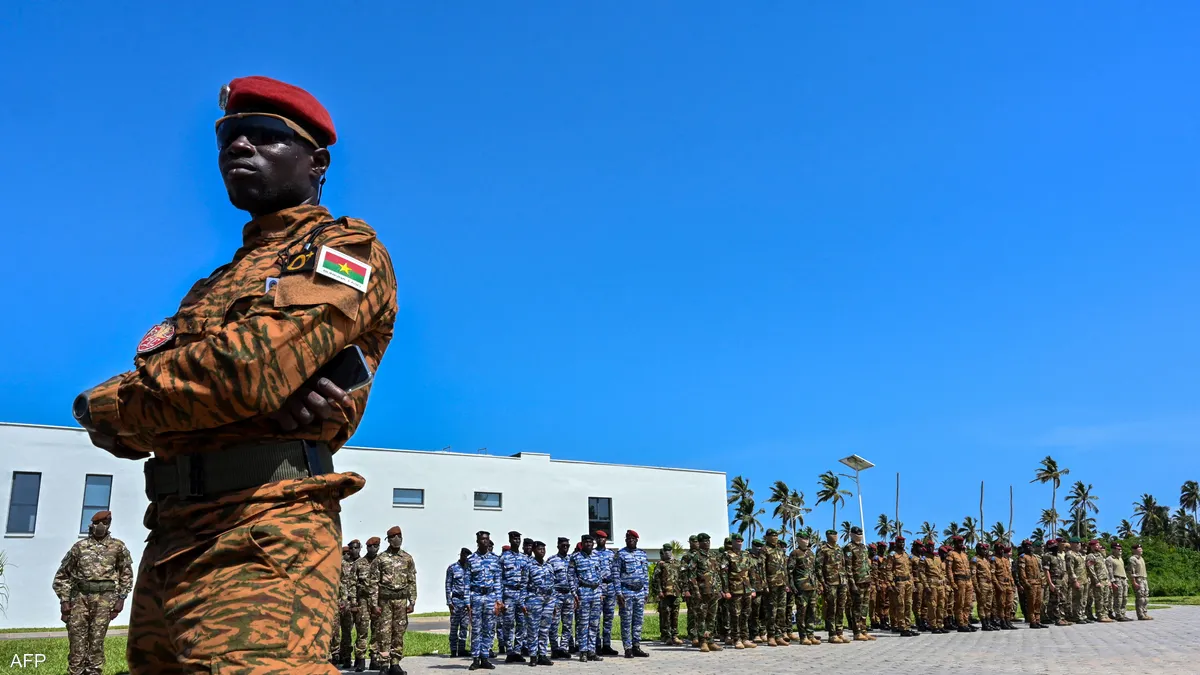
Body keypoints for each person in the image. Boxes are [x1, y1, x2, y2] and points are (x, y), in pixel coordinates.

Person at [71, 75, 399, 675]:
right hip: (171, 532)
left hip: (263, 530)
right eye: (228, 138)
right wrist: (146, 405)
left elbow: (243, 373)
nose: (238, 148)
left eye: (266, 136)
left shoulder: (343, 250)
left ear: (316, 163)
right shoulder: (214, 286)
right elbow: (189, 391)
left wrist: (112, 405)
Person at [53, 510, 134, 675]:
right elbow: (62, 576)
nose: (101, 526)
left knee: (97, 640)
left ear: (109, 524)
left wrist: (121, 599)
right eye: (98, 523)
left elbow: (126, 574)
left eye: (105, 522)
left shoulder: (118, 547)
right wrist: (64, 601)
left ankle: (93, 672)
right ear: (92, 525)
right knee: (77, 639)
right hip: (79, 599)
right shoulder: (79, 547)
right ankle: (75, 671)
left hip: (105, 600)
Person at [372, 527, 416, 674]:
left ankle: (395, 663)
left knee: (399, 631)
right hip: (385, 601)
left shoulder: (407, 558)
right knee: (384, 632)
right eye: (394, 537)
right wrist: (374, 604)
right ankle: (384, 664)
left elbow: (412, 581)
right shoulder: (381, 558)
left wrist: (412, 601)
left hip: (401, 601)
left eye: (399, 536)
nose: (397, 539)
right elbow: (373, 582)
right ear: (389, 540)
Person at [684, 532, 725, 652]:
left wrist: (720, 589)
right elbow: (691, 576)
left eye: (708, 541)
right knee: (701, 618)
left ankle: (710, 640)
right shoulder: (695, 556)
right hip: (702, 593)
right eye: (704, 541)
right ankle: (703, 641)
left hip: (714, 592)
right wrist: (696, 591)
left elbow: (717, 574)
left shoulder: (713, 556)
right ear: (700, 543)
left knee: (712, 618)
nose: (707, 543)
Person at [468, 531, 503, 670]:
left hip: (490, 597)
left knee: (489, 629)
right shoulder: (471, 560)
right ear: (477, 541)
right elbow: (467, 582)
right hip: (476, 596)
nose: (485, 542)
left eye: (487, 539)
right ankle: (475, 659)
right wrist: (467, 601)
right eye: (482, 540)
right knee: (476, 629)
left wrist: (498, 600)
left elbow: (498, 581)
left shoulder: (495, 559)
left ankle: (485, 657)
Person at [613, 530, 651, 657]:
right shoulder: (620, 555)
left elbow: (645, 575)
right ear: (625, 540)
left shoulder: (642, 554)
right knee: (626, 621)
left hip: (640, 592)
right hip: (626, 592)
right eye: (628, 539)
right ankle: (627, 648)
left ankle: (636, 646)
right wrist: (618, 593)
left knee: (638, 621)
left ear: (637, 540)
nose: (630, 541)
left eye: (633, 539)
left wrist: (646, 591)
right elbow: (616, 575)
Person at [569, 534, 605, 662]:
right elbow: (571, 577)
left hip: (595, 592)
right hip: (583, 592)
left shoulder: (597, 557)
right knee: (583, 624)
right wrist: (574, 593)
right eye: (586, 542)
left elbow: (600, 574)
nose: (589, 544)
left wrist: (600, 591)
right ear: (582, 543)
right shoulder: (575, 557)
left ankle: (591, 651)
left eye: (591, 542)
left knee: (594, 624)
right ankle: (583, 651)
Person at [524, 541, 557, 667]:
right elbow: (523, 585)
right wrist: (523, 602)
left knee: (544, 629)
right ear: (533, 550)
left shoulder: (549, 566)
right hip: (534, 599)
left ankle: (542, 655)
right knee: (533, 629)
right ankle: (533, 655)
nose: (542, 551)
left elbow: (553, 586)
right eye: (539, 549)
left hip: (548, 601)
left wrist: (553, 603)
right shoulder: (529, 566)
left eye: (543, 549)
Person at [721, 533, 756, 650]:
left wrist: (752, 588)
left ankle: (745, 638)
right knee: (735, 615)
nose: (739, 543)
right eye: (737, 541)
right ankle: (736, 639)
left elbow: (751, 572)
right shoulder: (727, 555)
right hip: (734, 590)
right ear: (733, 542)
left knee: (746, 614)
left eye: (741, 541)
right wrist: (726, 590)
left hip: (746, 589)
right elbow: (724, 574)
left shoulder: (746, 555)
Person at [354, 537, 384, 671]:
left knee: (377, 630)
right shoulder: (359, 563)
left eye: (376, 546)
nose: (373, 548)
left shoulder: (381, 561)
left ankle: (374, 658)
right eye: (371, 546)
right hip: (363, 601)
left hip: (378, 601)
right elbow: (352, 584)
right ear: (367, 547)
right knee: (362, 630)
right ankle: (360, 659)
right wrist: (353, 602)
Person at [500, 531, 530, 662]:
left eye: (518, 539)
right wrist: (499, 598)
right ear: (510, 540)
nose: (516, 541)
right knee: (508, 623)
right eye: (514, 539)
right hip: (508, 593)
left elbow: (528, 578)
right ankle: (510, 650)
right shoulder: (503, 558)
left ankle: (518, 650)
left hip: (521, 594)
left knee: (522, 623)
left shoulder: (525, 558)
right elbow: (499, 578)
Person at [786, 530, 819, 645]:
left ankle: (811, 634)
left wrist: (817, 585)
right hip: (801, 588)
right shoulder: (795, 553)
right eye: (803, 539)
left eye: (807, 539)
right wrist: (793, 587)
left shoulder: (811, 553)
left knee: (811, 612)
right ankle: (803, 636)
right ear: (799, 540)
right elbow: (789, 572)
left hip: (812, 587)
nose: (806, 541)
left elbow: (815, 570)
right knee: (802, 613)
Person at [592, 531, 620, 656]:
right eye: (598, 538)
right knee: (596, 618)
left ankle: (607, 645)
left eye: (603, 538)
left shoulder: (611, 554)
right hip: (598, 588)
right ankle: (597, 645)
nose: (600, 540)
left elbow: (615, 571)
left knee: (608, 618)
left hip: (610, 587)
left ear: (606, 539)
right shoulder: (592, 554)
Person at [546, 538, 575, 658]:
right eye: (563, 545)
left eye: (567, 545)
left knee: (568, 624)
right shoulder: (552, 560)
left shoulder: (572, 560)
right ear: (558, 546)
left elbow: (576, 577)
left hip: (569, 595)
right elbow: (548, 580)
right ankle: (554, 648)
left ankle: (563, 647)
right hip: (556, 595)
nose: (565, 547)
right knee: (554, 623)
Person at [845, 527, 874, 641]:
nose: (859, 536)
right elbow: (848, 567)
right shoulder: (849, 548)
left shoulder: (863, 547)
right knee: (857, 607)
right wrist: (852, 583)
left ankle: (863, 630)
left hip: (866, 580)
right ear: (851, 535)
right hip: (857, 582)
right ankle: (857, 632)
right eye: (857, 534)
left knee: (864, 608)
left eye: (861, 534)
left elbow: (867, 564)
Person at [761, 529, 789, 646]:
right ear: (767, 537)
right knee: (771, 611)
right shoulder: (764, 550)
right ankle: (771, 636)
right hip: (771, 584)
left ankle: (779, 635)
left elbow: (784, 567)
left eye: (776, 536)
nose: (775, 538)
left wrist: (786, 583)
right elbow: (761, 568)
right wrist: (764, 584)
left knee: (781, 611)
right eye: (772, 536)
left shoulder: (779, 550)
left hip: (781, 583)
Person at [651, 544, 683, 645]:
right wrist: (659, 591)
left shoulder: (677, 563)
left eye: (669, 551)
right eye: (666, 552)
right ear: (663, 553)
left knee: (675, 615)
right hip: (665, 593)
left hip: (676, 592)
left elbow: (682, 577)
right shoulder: (661, 564)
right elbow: (655, 579)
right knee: (666, 614)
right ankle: (667, 636)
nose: (668, 553)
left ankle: (675, 635)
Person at [338, 541, 361, 667]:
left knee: (361, 631)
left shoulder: (363, 563)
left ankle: (359, 657)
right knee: (346, 631)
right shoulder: (343, 565)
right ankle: (346, 657)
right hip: (346, 601)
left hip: (361, 601)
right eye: (351, 549)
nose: (353, 551)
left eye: (356, 548)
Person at [447, 548, 472, 657]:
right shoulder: (452, 568)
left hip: (466, 601)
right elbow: (448, 585)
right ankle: (453, 650)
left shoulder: (469, 569)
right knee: (454, 626)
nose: (466, 558)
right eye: (464, 556)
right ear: (461, 555)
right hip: (456, 600)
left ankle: (461, 649)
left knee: (464, 626)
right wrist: (449, 602)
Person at [947, 536, 973, 632]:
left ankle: (966, 622)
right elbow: (949, 570)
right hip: (959, 581)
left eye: (962, 542)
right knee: (959, 603)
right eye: (959, 543)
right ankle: (961, 624)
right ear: (954, 543)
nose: (961, 544)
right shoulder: (951, 554)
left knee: (968, 603)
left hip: (968, 581)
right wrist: (952, 583)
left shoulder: (964, 555)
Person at [921, 541, 948, 634]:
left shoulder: (937, 558)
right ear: (926, 547)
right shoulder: (924, 559)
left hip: (940, 584)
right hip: (931, 584)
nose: (931, 548)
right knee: (932, 606)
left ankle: (940, 624)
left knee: (941, 605)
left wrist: (943, 579)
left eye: (932, 546)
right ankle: (933, 625)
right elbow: (921, 573)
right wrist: (926, 586)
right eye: (929, 546)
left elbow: (942, 571)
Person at [1017, 540, 1045, 629]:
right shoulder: (1022, 557)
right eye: (1027, 546)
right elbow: (1022, 572)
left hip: (1038, 583)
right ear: (1024, 548)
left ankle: (1038, 620)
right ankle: (1032, 621)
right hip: (1030, 583)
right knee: (1031, 603)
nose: (1029, 548)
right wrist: (1026, 583)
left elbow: (1039, 571)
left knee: (1038, 602)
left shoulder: (1034, 558)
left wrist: (1042, 581)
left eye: (1030, 546)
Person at [1084, 539, 1113, 623]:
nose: (1099, 546)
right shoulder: (1090, 556)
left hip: (1105, 580)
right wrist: (1096, 581)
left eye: (1098, 545)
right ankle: (1100, 615)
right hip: (1098, 580)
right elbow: (1091, 570)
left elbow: (1105, 569)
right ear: (1092, 546)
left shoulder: (1100, 555)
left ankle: (1105, 614)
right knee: (1099, 599)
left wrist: (1108, 580)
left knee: (1106, 599)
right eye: (1096, 545)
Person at [990, 541, 1017, 630]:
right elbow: (993, 574)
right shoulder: (993, 559)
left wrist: (1012, 584)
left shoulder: (1006, 560)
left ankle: (1008, 620)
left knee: (1009, 604)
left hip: (1008, 584)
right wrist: (997, 585)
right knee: (1001, 604)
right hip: (1000, 584)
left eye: (1002, 549)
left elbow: (1009, 573)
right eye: (999, 549)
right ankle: (1002, 621)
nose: (1001, 551)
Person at [680, 535, 700, 645]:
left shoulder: (702, 555)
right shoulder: (687, 557)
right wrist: (685, 589)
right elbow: (683, 574)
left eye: (696, 541)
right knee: (693, 612)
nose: (695, 543)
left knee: (702, 613)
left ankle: (702, 634)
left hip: (702, 588)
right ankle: (693, 635)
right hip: (691, 589)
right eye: (693, 542)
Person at [971, 543, 996, 631]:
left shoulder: (985, 560)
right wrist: (976, 587)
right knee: (982, 604)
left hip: (989, 584)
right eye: (982, 549)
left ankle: (988, 622)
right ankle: (984, 623)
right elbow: (973, 575)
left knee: (988, 605)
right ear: (978, 550)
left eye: (985, 549)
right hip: (982, 584)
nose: (984, 551)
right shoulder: (975, 560)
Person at [1107, 541, 1131, 621]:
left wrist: (1126, 581)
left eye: (1121, 549)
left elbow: (1123, 570)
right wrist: (1112, 582)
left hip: (1123, 579)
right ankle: (1118, 615)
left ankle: (1123, 613)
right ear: (1113, 549)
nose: (1120, 551)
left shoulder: (1120, 559)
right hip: (1117, 579)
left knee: (1125, 598)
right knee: (1118, 598)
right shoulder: (1109, 559)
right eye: (1118, 549)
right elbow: (1109, 572)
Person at [1128, 542, 1152, 620]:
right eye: (1139, 549)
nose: (1141, 550)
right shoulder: (1132, 559)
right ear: (1134, 550)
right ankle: (1140, 614)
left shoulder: (1142, 558)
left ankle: (1145, 613)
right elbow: (1131, 572)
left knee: (1146, 597)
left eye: (1141, 548)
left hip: (1144, 578)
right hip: (1138, 579)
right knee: (1140, 598)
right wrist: (1134, 582)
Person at [1065, 538, 1086, 624]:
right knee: (1076, 599)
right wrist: (1074, 580)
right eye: (1076, 543)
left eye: (1079, 543)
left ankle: (1082, 615)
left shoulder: (1079, 554)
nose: (1079, 544)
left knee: (1083, 599)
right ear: (1071, 544)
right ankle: (1076, 616)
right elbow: (1070, 569)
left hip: (1083, 579)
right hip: (1077, 580)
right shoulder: (1070, 554)